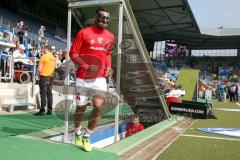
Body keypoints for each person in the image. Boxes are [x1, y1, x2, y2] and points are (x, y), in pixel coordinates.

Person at [69, 7, 114, 152]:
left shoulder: (110, 36)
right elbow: (73, 53)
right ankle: (76, 132)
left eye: (107, 18)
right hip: (83, 77)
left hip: (100, 77)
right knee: (81, 107)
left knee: (98, 106)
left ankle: (87, 136)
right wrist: (85, 65)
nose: (105, 20)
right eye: (102, 18)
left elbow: (107, 54)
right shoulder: (84, 33)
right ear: (96, 18)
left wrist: (108, 67)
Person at [34, 45, 56, 116]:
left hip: (44, 76)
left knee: (43, 93)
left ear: (46, 49)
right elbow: (54, 67)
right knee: (49, 93)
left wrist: (36, 75)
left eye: (43, 49)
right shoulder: (53, 57)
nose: (42, 50)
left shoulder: (44, 56)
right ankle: (50, 110)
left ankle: (42, 110)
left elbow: (39, 68)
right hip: (51, 77)